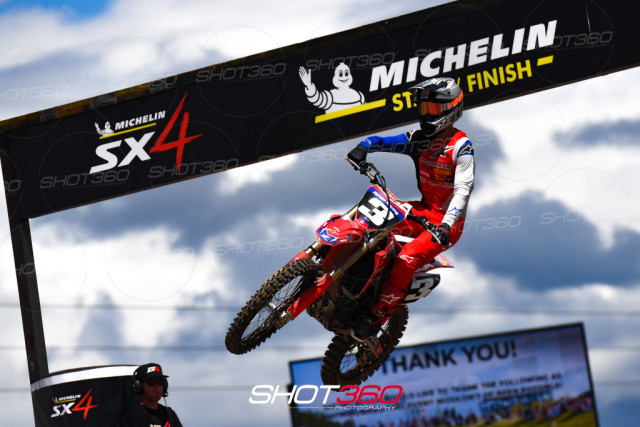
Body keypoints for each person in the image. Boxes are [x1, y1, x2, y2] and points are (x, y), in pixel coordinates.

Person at [346, 76, 475, 341]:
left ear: (451, 109)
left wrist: (446, 225)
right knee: (368, 219)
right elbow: (381, 141)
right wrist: (363, 147)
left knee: (407, 258)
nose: (426, 114)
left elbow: (463, 191)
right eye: (424, 108)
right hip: (422, 210)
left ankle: (377, 316)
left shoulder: (462, 147)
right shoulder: (418, 139)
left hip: (447, 224)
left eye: (433, 108)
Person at [120, 362, 183, 427]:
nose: (157, 387)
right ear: (139, 386)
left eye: (160, 382)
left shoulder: (169, 414)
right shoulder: (134, 414)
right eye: (151, 382)